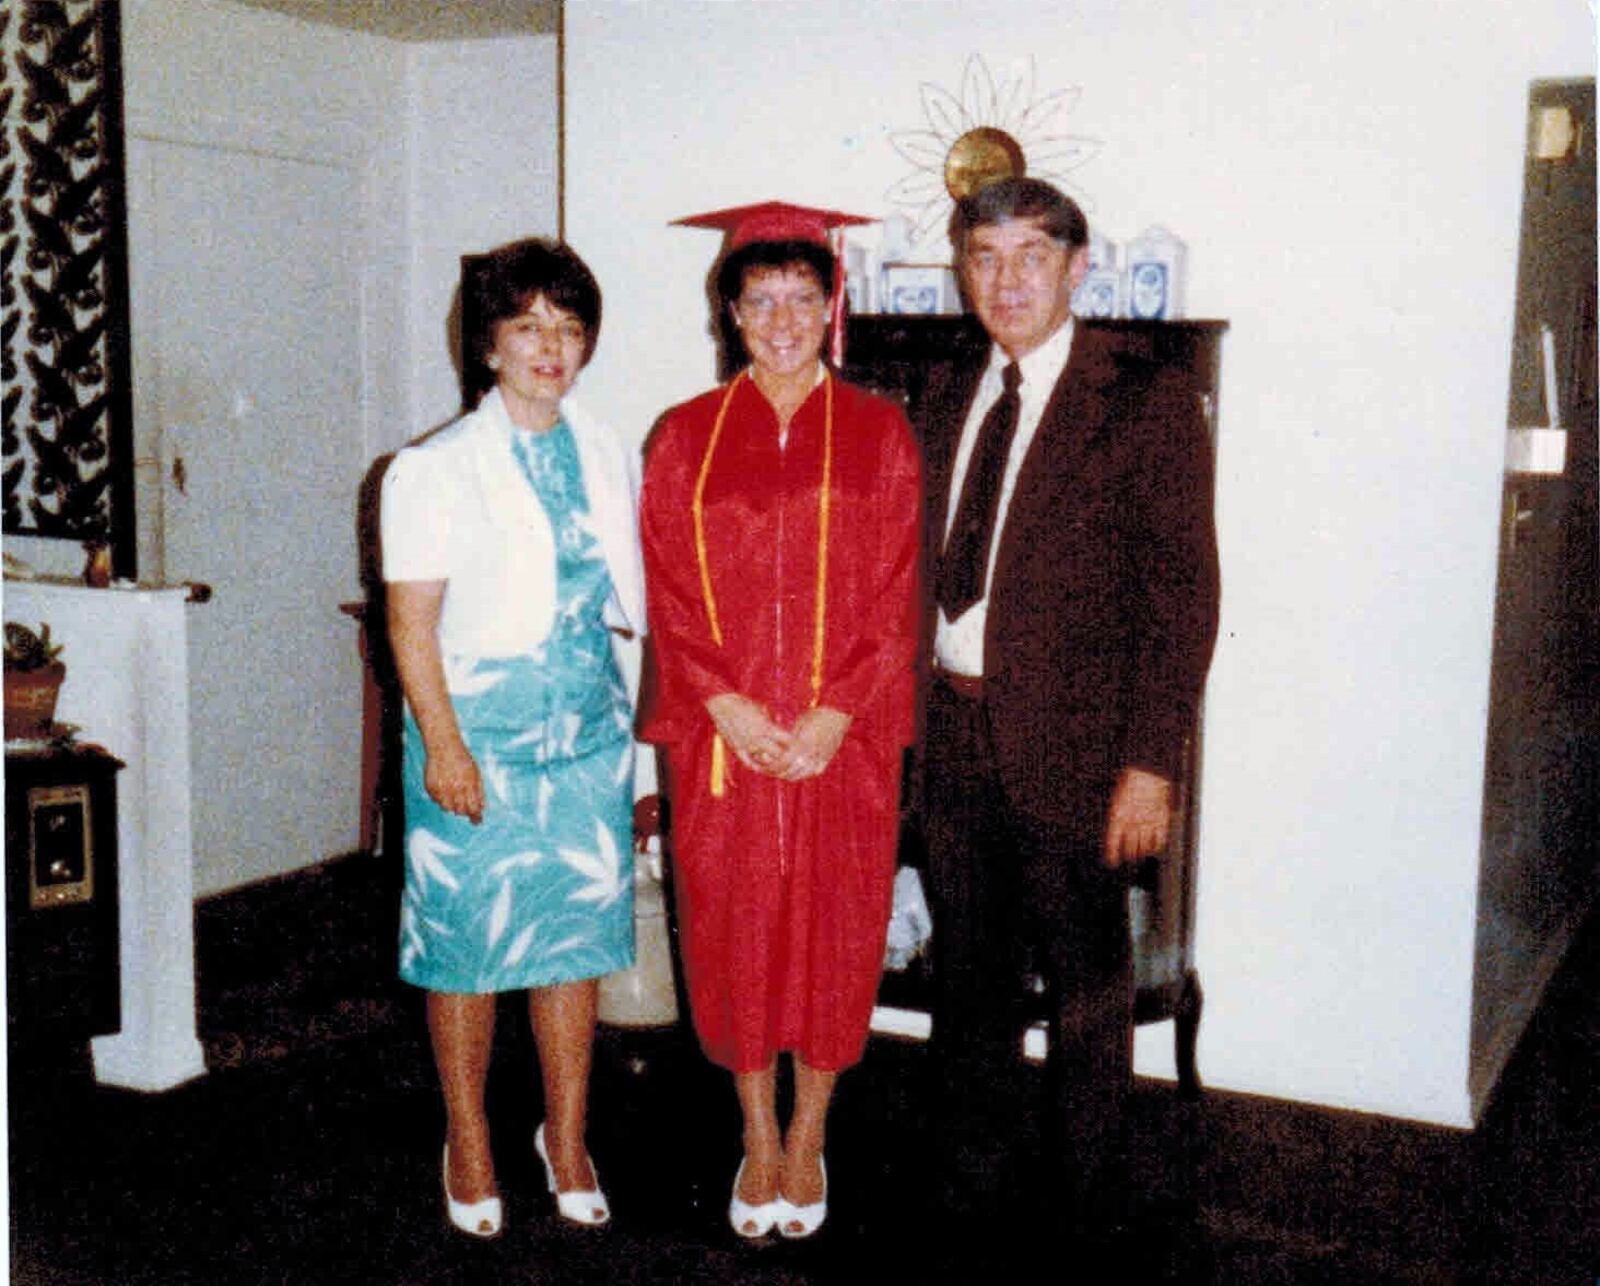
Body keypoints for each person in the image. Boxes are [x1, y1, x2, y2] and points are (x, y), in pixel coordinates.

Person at [914, 178, 1219, 1244]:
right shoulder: (948, 392)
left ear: (1076, 265)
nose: (1006, 280)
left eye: (1030, 256)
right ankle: (973, 1197)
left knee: (1088, 995)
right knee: (969, 983)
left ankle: (1089, 1217)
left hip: (1080, 753)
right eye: (983, 256)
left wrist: (1152, 763)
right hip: (951, 737)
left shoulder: (1141, 398)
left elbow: (1184, 597)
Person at [640, 201, 921, 1241]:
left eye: (802, 296)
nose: (782, 316)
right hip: (726, 741)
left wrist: (837, 711)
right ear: (731, 309)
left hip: (839, 743)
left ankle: (812, 1132)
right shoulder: (686, 435)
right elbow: (666, 583)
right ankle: (755, 1130)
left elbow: (899, 588)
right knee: (735, 933)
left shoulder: (880, 430)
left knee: (836, 931)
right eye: (760, 298)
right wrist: (719, 699)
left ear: (830, 303)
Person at [380, 237, 645, 1237]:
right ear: (488, 343)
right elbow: (410, 626)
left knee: (570, 947)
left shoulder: (602, 447)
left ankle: (565, 1136)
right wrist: (443, 746)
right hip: (472, 736)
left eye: (569, 327)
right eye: (527, 325)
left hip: (583, 734)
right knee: (468, 951)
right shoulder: (432, 468)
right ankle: (470, 1137)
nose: (550, 347)